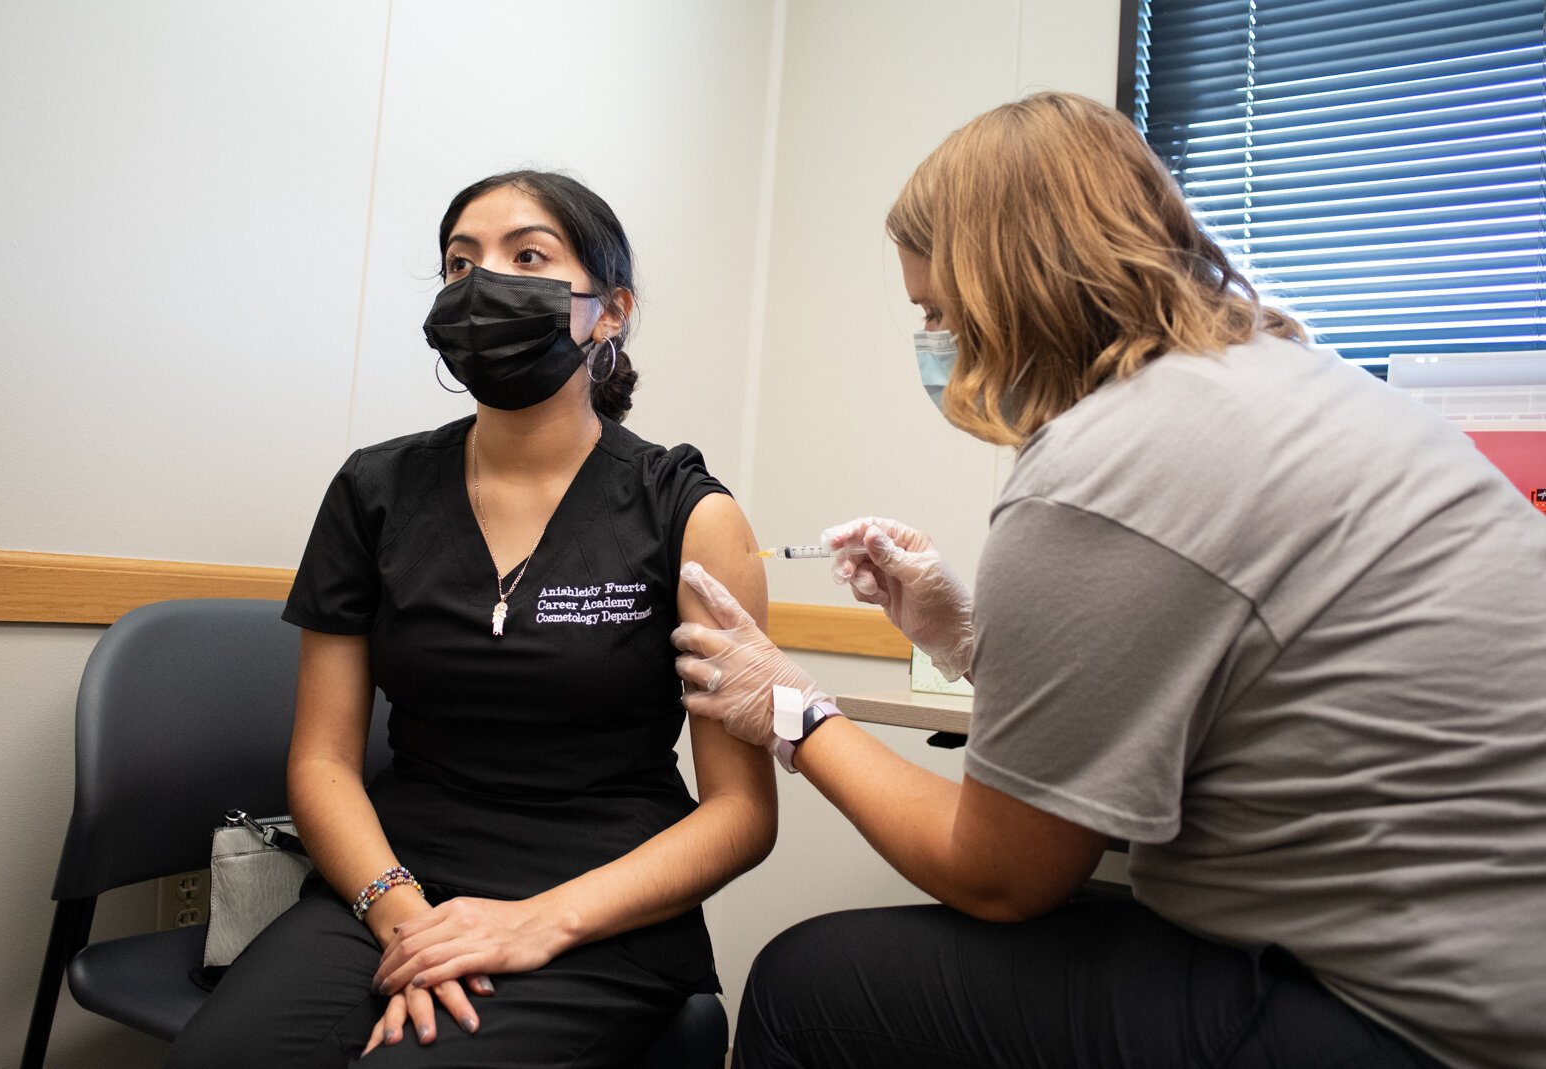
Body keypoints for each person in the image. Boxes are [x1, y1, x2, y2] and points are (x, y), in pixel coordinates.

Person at [672, 93, 1546, 1069]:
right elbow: (1212, 688)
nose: (931, 341)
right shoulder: (1289, 386)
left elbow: (1001, 873)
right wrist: (967, 638)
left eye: (935, 311)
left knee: (808, 985)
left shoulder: (1105, 463)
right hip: (1493, 970)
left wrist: (792, 708)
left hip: (1418, 1025)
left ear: (1009, 288)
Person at [168, 170, 776, 1068]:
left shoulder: (685, 512)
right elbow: (324, 760)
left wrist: (536, 923)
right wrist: (405, 918)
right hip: (392, 887)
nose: (484, 282)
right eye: (460, 264)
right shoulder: (374, 492)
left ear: (608, 311)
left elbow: (740, 813)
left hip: (596, 909)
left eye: (528, 255)